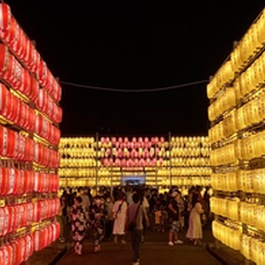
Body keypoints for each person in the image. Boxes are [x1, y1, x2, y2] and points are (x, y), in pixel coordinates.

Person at [126, 192, 149, 265]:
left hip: (132, 228)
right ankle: (136, 259)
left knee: (133, 243)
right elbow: (145, 216)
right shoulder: (141, 207)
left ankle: (135, 256)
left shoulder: (129, 207)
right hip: (139, 227)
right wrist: (147, 222)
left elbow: (127, 218)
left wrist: (125, 226)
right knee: (138, 244)